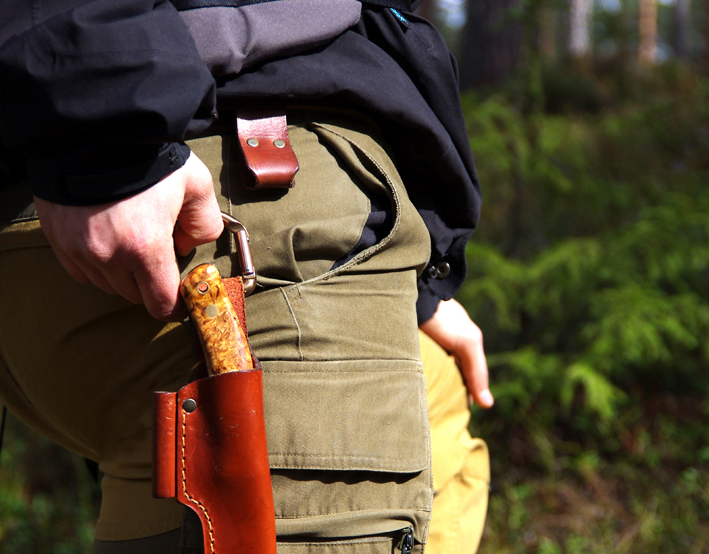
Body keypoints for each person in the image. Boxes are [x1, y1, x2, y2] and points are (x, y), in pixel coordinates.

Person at [0, 1, 492, 552]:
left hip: (123, 193)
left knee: (442, 410)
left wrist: (415, 285)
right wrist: (105, 131)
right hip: (161, 162)